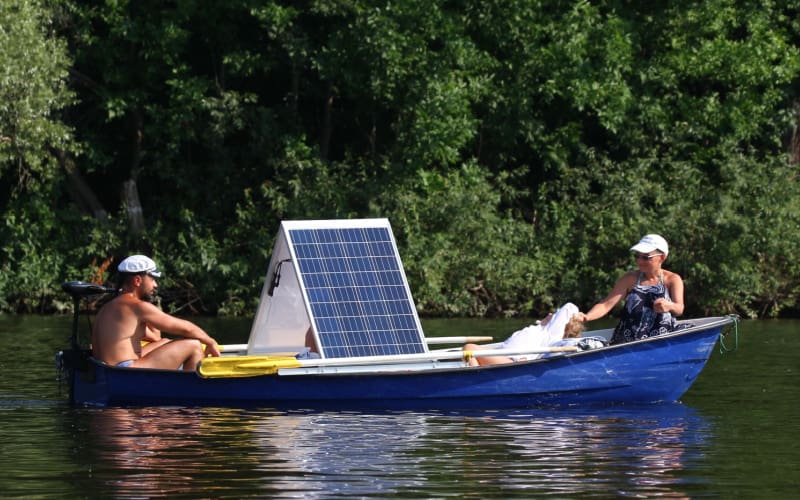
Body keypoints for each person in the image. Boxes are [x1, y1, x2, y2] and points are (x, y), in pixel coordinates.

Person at [91, 255, 221, 370]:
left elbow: (155, 338)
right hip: (123, 373)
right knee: (193, 345)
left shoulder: (107, 307)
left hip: (105, 371)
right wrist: (211, 342)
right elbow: (186, 328)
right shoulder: (136, 306)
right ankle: (189, 395)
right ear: (137, 280)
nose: (155, 285)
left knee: (164, 341)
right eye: (152, 279)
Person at [575, 234, 685, 344]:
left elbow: (679, 308)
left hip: (662, 339)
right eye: (638, 256)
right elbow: (605, 305)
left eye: (646, 257)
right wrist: (586, 317)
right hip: (628, 341)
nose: (639, 261)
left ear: (662, 257)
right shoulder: (629, 279)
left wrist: (669, 306)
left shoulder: (673, 279)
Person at [463, 302, 584, 366]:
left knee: (469, 348)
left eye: (556, 315)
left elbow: (569, 307)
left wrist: (580, 316)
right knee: (469, 352)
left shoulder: (552, 333)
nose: (552, 314)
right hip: (505, 358)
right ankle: (477, 374)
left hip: (512, 362)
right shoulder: (542, 328)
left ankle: (475, 380)